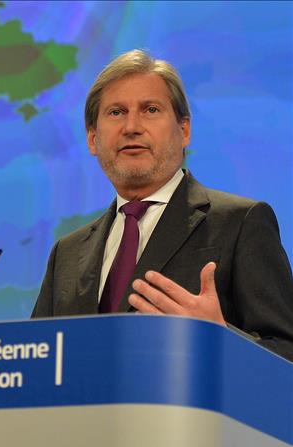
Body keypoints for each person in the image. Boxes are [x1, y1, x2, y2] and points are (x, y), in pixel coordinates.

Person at [32, 49, 293, 361]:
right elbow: (36, 360)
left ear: (184, 131)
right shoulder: (66, 253)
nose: (131, 126)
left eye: (151, 110)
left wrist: (220, 337)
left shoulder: (241, 223)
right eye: (116, 112)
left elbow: (286, 352)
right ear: (92, 138)